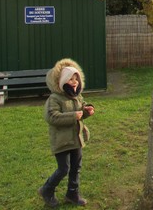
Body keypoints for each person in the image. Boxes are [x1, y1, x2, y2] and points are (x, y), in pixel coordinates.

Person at [38, 59, 95, 207]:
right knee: (64, 169)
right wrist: (73, 116)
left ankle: (72, 194)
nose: (74, 81)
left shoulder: (76, 96)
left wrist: (86, 111)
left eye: (76, 78)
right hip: (62, 140)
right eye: (71, 78)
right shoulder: (54, 98)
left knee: (76, 167)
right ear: (63, 80)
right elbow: (51, 117)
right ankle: (47, 190)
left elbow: (80, 112)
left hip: (76, 138)